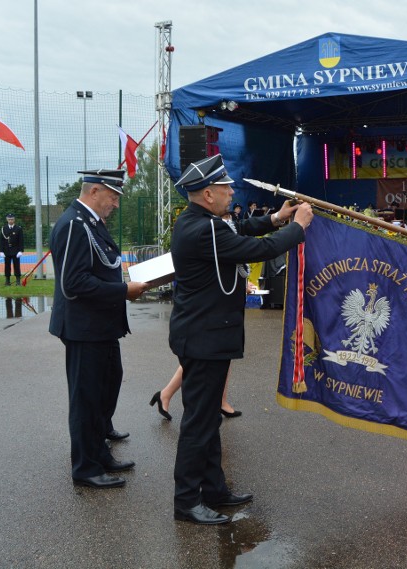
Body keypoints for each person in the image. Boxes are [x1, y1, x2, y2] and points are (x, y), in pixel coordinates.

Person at [169, 154, 313, 525]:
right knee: (199, 423)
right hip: (204, 337)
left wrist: (276, 219)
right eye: (225, 187)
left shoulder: (204, 221)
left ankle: (213, 489)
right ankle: (186, 502)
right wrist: (296, 228)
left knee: (207, 420)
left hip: (205, 334)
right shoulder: (204, 229)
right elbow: (258, 249)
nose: (231, 191)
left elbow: (241, 230)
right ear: (206, 194)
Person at [49, 168, 150, 489]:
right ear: (94, 191)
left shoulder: (90, 222)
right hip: (84, 328)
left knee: (107, 387)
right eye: (113, 196)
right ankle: (85, 468)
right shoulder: (74, 225)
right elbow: (73, 283)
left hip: (101, 326)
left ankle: (99, 453)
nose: (117, 203)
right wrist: (124, 291)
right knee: (86, 398)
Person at [0, 212, 24, 285]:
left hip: (16, 251)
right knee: (7, 266)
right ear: (7, 219)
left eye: (12, 219)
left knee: (16, 266)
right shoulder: (3, 229)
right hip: (6, 250)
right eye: (9, 219)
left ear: (14, 220)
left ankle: (18, 280)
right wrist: (1, 251)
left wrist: (20, 251)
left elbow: (21, 240)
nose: (10, 221)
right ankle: (7, 280)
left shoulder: (18, 228)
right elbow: (1, 241)